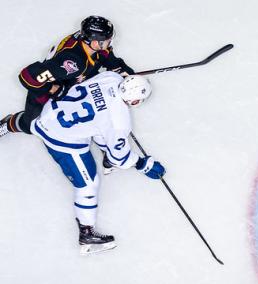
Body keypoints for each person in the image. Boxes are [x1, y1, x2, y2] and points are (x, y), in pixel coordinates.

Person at [31, 70, 165, 255]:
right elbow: (121, 158)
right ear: (134, 101)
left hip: (49, 113)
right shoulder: (119, 122)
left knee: (99, 126)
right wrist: (142, 164)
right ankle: (87, 233)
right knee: (88, 184)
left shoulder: (111, 77)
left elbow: (100, 115)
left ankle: (11, 125)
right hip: (60, 139)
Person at [0, 16, 134, 138]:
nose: (109, 41)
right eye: (106, 39)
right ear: (93, 42)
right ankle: (8, 123)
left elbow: (106, 56)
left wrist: (125, 72)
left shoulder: (87, 43)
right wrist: (54, 89)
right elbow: (28, 76)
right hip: (46, 89)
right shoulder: (73, 62)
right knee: (30, 126)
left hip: (73, 79)